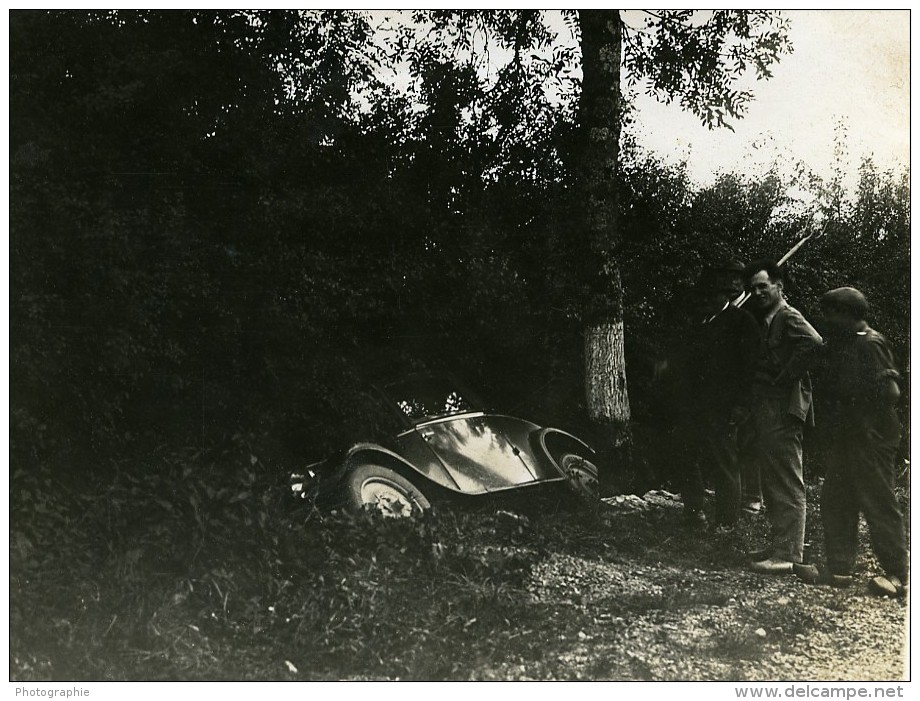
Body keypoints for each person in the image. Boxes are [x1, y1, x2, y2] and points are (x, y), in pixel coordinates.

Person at [794, 287, 908, 596]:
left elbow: (891, 392)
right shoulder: (849, 344)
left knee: (878, 502)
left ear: (846, 314)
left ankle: (898, 576)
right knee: (836, 498)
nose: (827, 321)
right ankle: (839, 569)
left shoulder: (871, 344)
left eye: (831, 314)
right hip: (851, 435)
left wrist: (865, 420)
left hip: (872, 436)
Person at [741, 259, 823, 574]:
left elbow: (814, 344)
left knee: (787, 479)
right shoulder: (767, 319)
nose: (758, 292)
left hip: (784, 408)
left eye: (764, 286)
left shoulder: (788, 317)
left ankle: (789, 554)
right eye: (753, 288)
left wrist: (786, 376)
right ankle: (780, 545)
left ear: (779, 286)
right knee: (774, 477)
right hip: (768, 408)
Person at [672, 266, 761, 528]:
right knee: (685, 453)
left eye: (712, 295)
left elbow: (750, 368)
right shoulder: (700, 322)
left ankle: (726, 523)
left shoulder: (742, 322)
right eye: (702, 296)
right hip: (695, 406)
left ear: (725, 295)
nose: (706, 301)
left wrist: (742, 405)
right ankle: (693, 511)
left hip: (725, 407)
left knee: (724, 462)